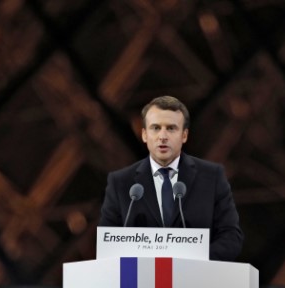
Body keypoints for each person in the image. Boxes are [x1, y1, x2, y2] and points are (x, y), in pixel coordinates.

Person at [99, 95, 244, 261]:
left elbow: (231, 237)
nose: (162, 136)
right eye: (155, 128)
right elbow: (108, 244)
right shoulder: (122, 184)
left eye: (170, 128)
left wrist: (199, 257)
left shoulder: (212, 177)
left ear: (184, 135)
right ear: (144, 135)